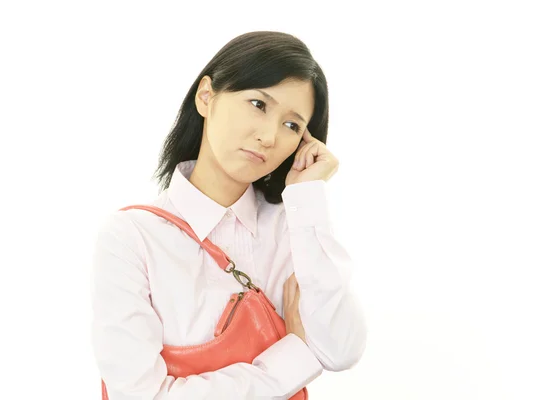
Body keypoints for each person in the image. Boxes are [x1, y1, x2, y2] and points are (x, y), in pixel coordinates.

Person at [90, 30, 368, 400]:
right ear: (207, 96)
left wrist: (307, 196)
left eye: (292, 126)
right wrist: (295, 357)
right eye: (258, 104)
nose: (270, 136)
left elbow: (341, 350)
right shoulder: (133, 238)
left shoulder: (294, 228)